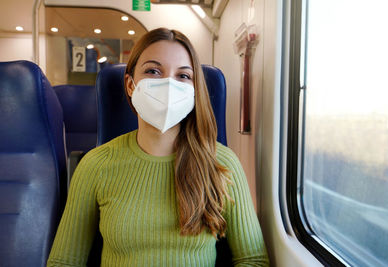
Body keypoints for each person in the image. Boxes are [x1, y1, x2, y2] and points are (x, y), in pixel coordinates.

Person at [47, 28, 268, 266]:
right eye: (153, 71)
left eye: (183, 76)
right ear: (131, 86)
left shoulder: (222, 162)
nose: (169, 86)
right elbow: (64, 262)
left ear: (194, 91)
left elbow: (253, 260)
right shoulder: (95, 164)